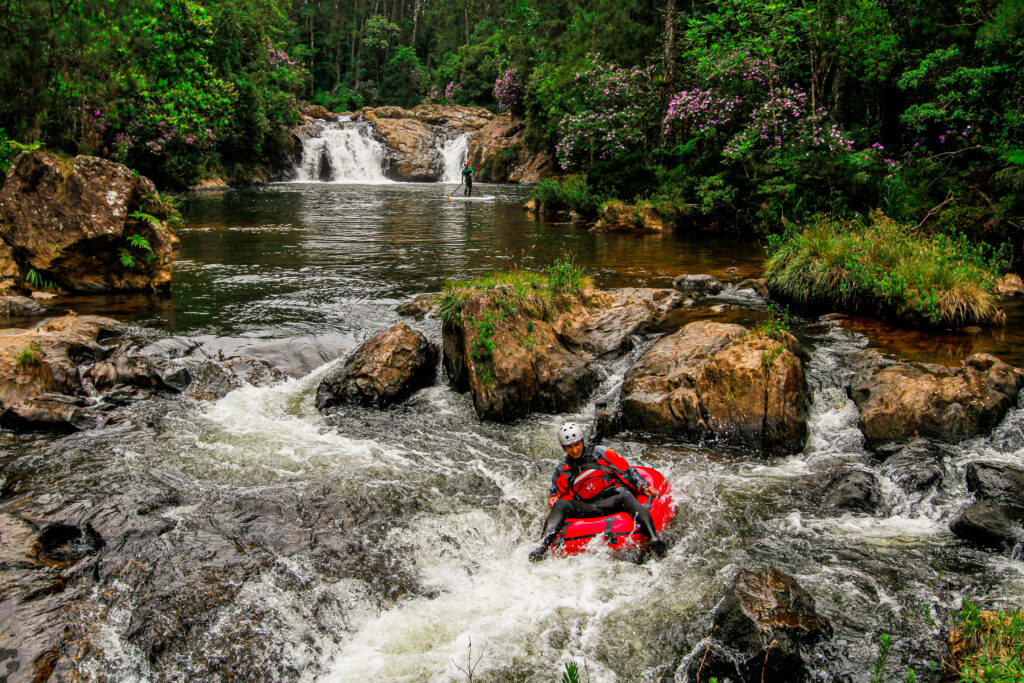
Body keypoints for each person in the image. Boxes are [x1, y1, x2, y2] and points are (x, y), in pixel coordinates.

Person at [529, 422, 666, 562]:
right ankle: (542, 547)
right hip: (587, 507)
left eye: (577, 445)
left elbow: (627, 471)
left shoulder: (601, 453)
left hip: (612, 501)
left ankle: (653, 539)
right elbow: (556, 492)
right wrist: (554, 499)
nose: (575, 450)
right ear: (564, 448)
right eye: (570, 447)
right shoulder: (563, 468)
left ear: (582, 441)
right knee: (561, 505)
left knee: (627, 496)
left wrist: (643, 487)